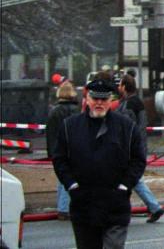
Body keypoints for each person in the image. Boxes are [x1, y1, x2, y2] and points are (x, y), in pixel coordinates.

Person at [52, 78, 146, 249]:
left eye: (104, 99)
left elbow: (138, 159)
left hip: (115, 204)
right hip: (84, 205)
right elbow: (59, 159)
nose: (99, 103)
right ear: (87, 99)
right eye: (95, 99)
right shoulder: (70, 126)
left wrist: (125, 186)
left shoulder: (126, 127)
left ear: (111, 101)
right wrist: (72, 185)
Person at [117, 75, 164, 223]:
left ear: (124, 87)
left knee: (128, 179)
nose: (118, 87)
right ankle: (153, 207)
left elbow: (125, 127)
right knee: (134, 179)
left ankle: (151, 207)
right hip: (138, 146)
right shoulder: (137, 102)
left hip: (128, 149)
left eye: (120, 84)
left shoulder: (128, 105)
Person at [47, 80, 81, 220]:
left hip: (58, 149)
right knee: (71, 177)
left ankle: (62, 207)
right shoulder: (76, 111)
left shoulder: (54, 111)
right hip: (74, 148)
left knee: (62, 177)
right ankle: (64, 207)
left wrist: (51, 152)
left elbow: (50, 133)